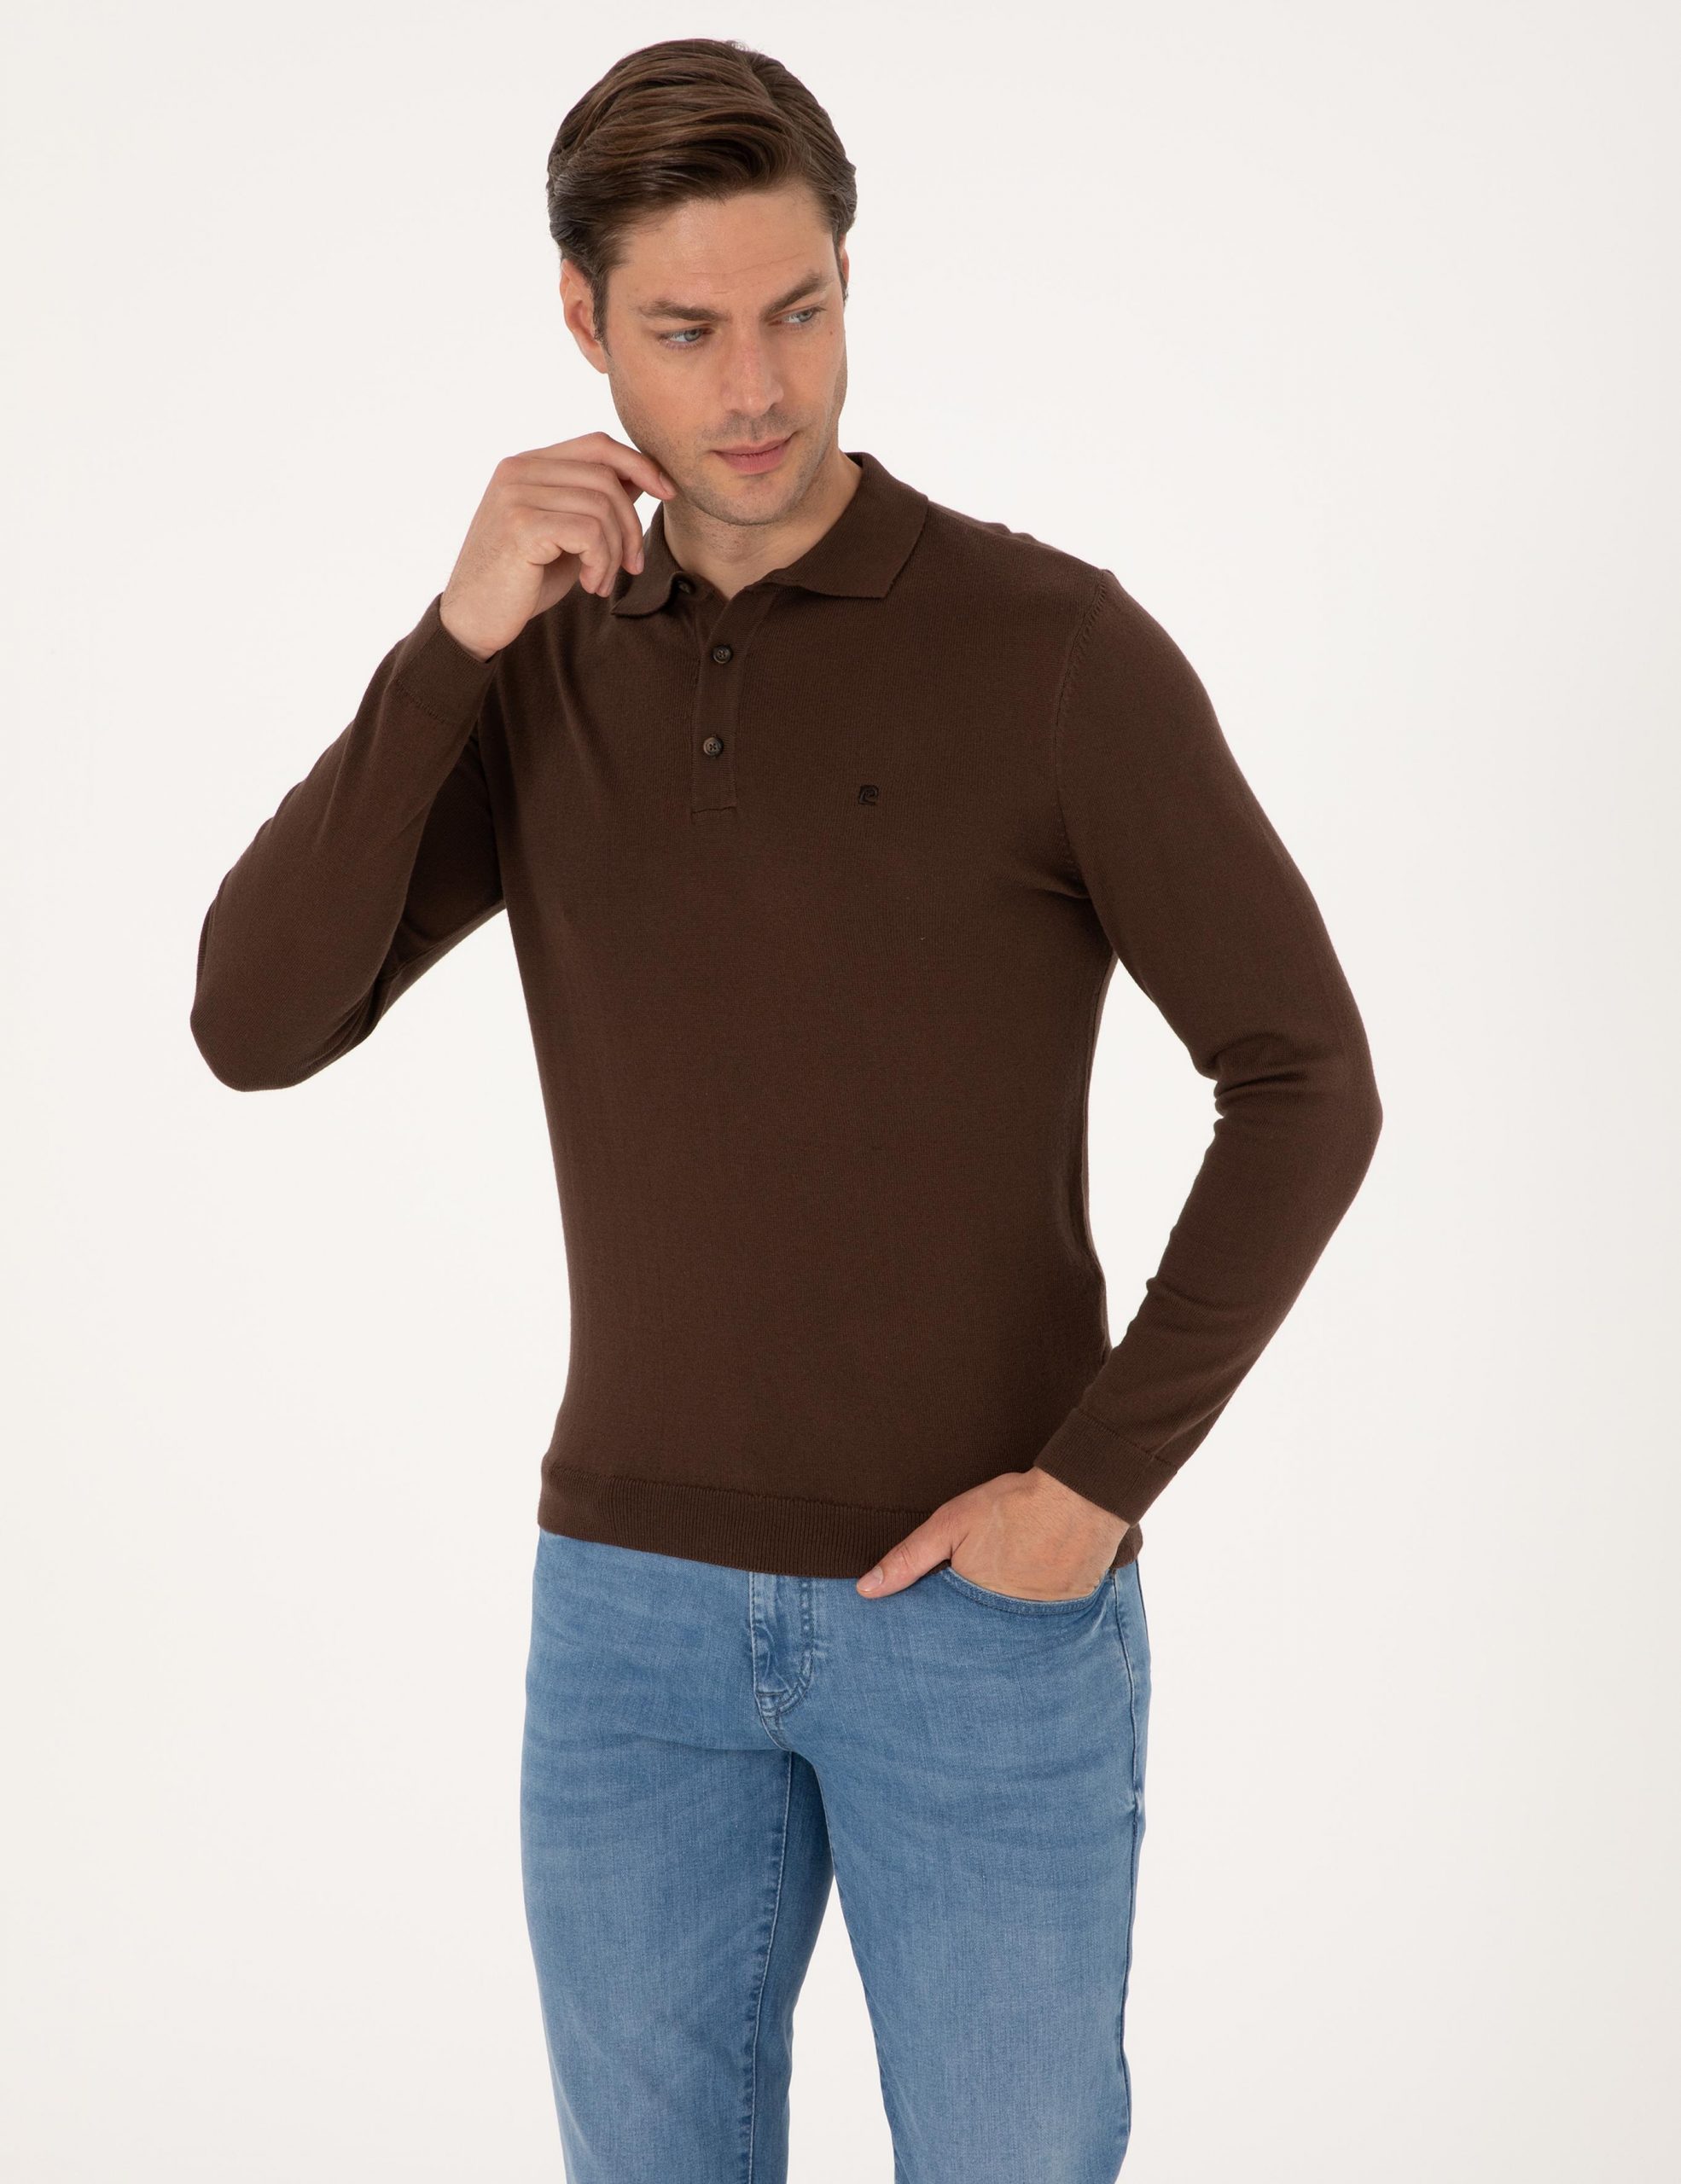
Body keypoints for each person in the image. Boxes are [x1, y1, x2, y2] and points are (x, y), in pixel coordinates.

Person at [190, 33, 1382, 2184]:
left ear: (847, 281)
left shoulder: (1050, 647)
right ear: (582, 322)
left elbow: (1304, 1078)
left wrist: (1089, 1490)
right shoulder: (538, 666)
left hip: (979, 1616)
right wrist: (451, 640)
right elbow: (254, 1020)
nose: (756, 388)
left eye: (798, 310)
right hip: (626, 1619)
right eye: (687, 330)